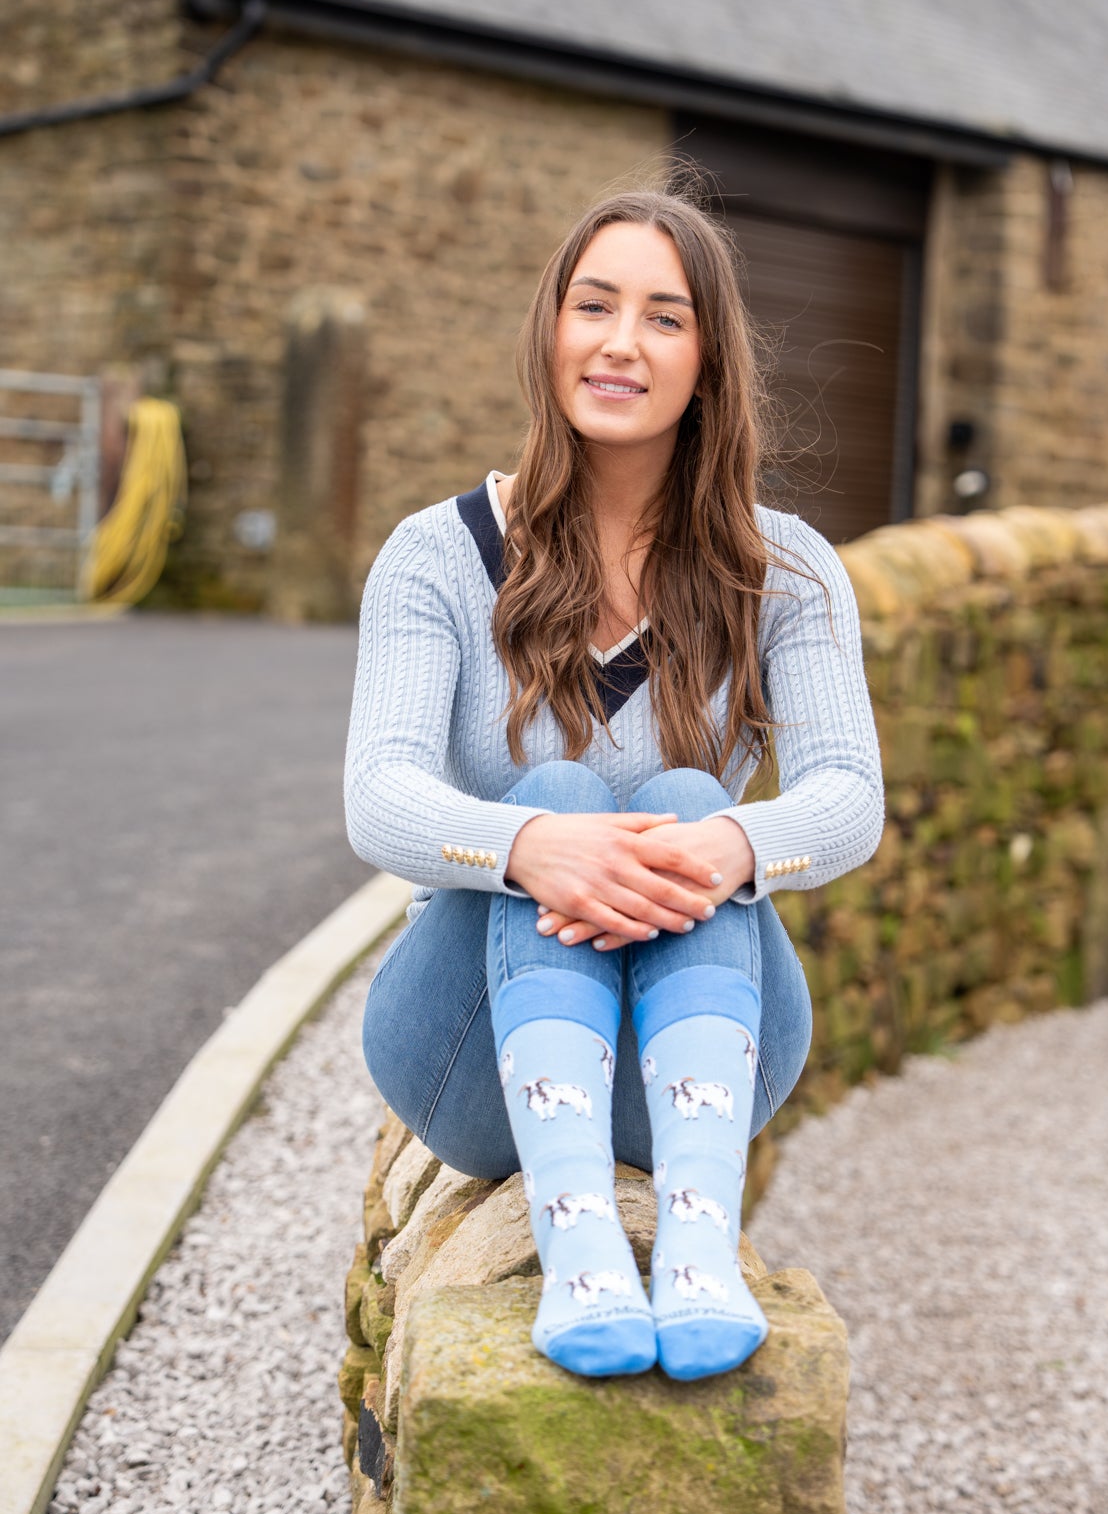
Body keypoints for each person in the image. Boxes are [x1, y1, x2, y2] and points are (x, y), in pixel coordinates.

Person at [345, 188, 883, 1384]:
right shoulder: (436, 554)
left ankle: (695, 1243)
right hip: (474, 1057)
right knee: (560, 789)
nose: (620, 343)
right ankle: (580, 1246)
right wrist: (536, 843)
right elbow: (377, 793)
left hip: (697, 1070)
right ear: (551, 329)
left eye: (663, 317)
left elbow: (850, 793)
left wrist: (726, 849)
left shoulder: (784, 568)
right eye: (594, 306)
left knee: (695, 801)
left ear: (709, 360)